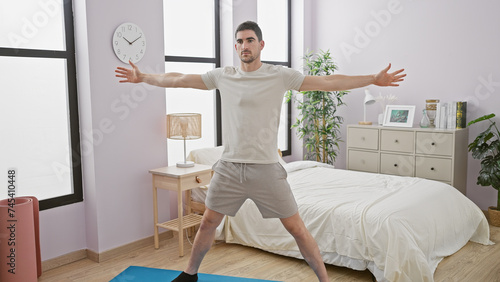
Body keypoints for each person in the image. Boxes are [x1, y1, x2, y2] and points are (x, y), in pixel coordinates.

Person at [115, 21, 405, 282]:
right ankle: (190, 275)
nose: (244, 46)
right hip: (229, 167)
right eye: (239, 41)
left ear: (261, 44)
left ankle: (324, 281)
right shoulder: (223, 76)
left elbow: (328, 83)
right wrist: (144, 78)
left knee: (298, 230)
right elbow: (179, 79)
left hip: (267, 169)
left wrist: (372, 79)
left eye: (249, 40)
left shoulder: (280, 76)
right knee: (208, 223)